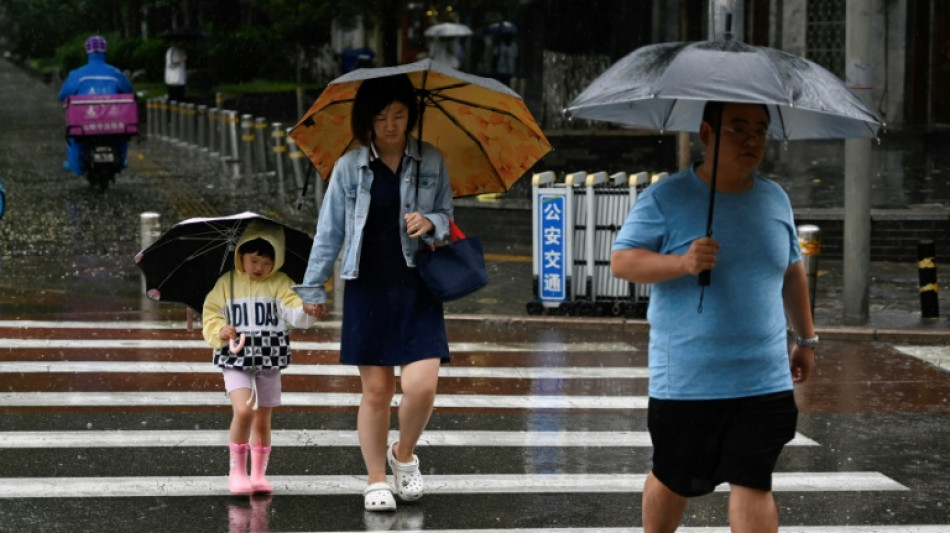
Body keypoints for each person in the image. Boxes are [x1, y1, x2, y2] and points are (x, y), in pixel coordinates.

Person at [610, 101, 817, 533]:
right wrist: (682, 264)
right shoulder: (666, 197)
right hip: (688, 379)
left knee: (753, 481)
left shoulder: (775, 198)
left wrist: (806, 339)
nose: (751, 140)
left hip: (764, 378)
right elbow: (623, 262)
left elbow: (793, 271)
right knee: (674, 476)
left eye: (760, 130)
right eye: (738, 128)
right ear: (706, 134)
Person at [294, 73, 453, 512]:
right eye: (382, 116)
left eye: (399, 115)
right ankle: (376, 478)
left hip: (418, 285)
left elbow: (447, 216)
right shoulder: (349, 167)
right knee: (378, 390)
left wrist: (431, 223)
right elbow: (329, 232)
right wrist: (314, 287)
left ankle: (403, 456)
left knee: (422, 387)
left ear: (410, 116)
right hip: (367, 284)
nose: (391, 124)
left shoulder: (433, 162)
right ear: (367, 120)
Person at [202, 220, 316, 496]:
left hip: (269, 357)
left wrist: (307, 308)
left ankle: (258, 474)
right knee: (244, 411)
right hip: (235, 357)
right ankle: (237, 471)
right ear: (240, 255)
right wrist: (220, 329)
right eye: (253, 260)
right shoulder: (226, 282)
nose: (259, 268)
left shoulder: (281, 283)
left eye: (267, 262)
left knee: (263, 418)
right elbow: (211, 313)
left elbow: (294, 314)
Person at [57, 35, 134, 175]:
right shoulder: (115, 73)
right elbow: (129, 90)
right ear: (105, 51)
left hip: (84, 122)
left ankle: (75, 166)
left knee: (74, 138)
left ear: (87, 52)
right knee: (122, 136)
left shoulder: (77, 74)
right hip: (113, 121)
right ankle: (122, 161)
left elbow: (62, 95)